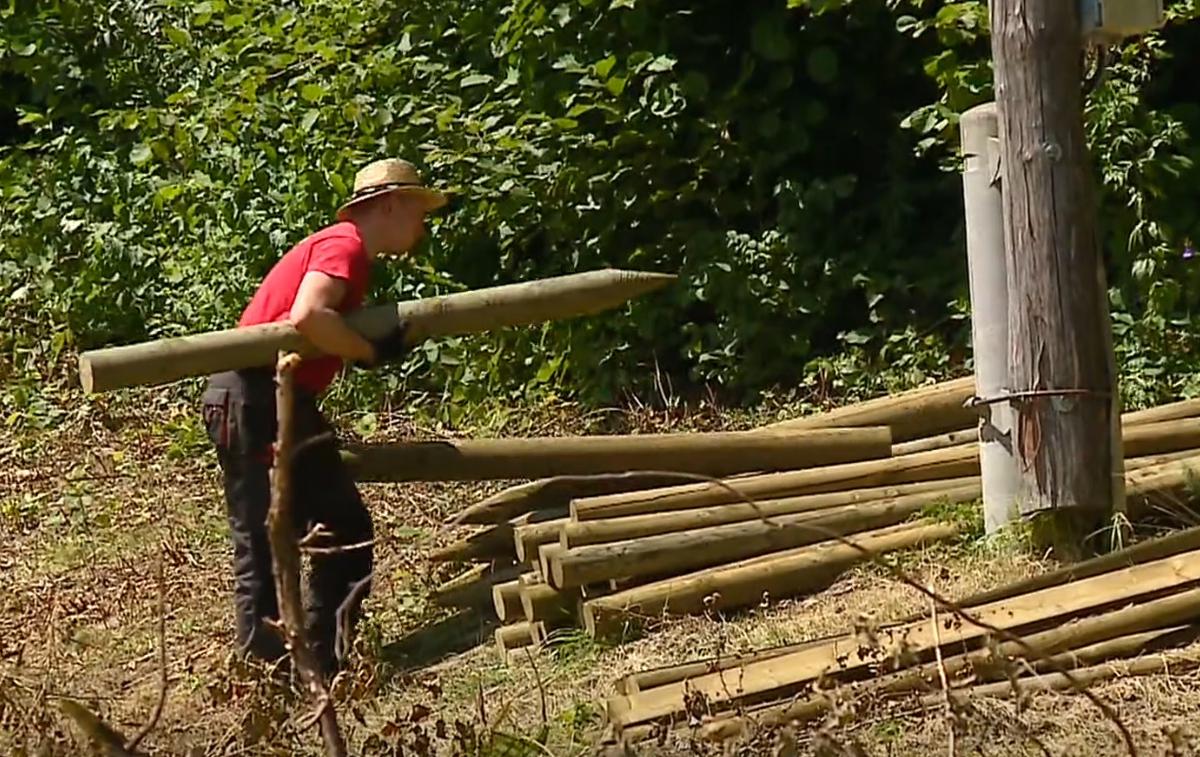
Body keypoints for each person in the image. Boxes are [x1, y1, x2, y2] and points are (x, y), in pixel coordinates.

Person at [200, 158, 447, 675]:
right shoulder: (346, 245)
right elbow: (309, 315)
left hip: (261, 394)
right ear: (392, 203)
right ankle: (294, 670)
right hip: (257, 396)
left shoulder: (345, 248)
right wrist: (369, 352)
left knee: (296, 533)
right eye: (418, 209)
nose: (422, 223)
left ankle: (302, 663)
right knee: (315, 532)